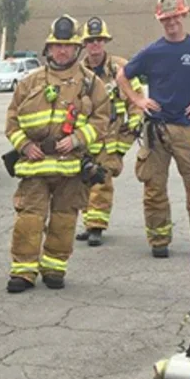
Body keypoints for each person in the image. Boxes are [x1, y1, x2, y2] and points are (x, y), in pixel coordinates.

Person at [118, 0, 190, 258]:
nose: (171, 23)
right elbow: (122, 75)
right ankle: (159, 241)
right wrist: (138, 100)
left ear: (184, 15)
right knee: (154, 188)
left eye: (176, 17)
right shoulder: (152, 52)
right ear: (161, 21)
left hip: (188, 130)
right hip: (156, 129)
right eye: (166, 19)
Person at [3, 15, 110, 293]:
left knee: (64, 219)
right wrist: (25, 145)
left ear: (77, 49)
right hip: (34, 166)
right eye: (57, 45)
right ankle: (23, 271)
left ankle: (54, 268)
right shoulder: (29, 82)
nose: (62, 51)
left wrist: (76, 139)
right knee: (29, 218)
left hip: (70, 167)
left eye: (68, 45)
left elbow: (101, 121)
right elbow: (12, 121)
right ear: (48, 49)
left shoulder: (91, 84)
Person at [74, 16, 143, 247]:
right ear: (85, 43)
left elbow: (136, 98)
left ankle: (96, 227)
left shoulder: (120, 69)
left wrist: (133, 125)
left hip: (111, 138)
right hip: (85, 136)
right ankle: (89, 222)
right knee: (83, 180)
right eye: (91, 40)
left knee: (101, 180)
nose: (95, 45)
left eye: (99, 40)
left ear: (105, 42)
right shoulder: (78, 71)